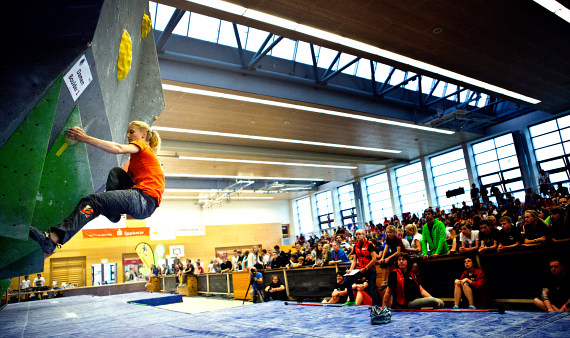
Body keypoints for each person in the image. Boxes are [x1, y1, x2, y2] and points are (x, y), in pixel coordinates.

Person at [29, 121, 164, 255]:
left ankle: (53, 238)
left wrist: (84, 138)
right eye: (128, 132)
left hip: (144, 200)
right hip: (142, 202)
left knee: (93, 202)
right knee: (115, 175)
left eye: (132, 132)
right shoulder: (138, 160)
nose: (128, 135)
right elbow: (121, 182)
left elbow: (118, 149)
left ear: (143, 135)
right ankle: (111, 212)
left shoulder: (143, 146)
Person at [344, 229, 378, 305]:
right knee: (346, 278)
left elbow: (374, 259)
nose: (358, 236)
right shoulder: (355, 246)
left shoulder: (369, 244)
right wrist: (350, 270)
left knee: (372, 290)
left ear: (363, 235)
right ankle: (352, 299)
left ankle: (376, 306)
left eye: (359, 234)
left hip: (370, 270)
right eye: (356, 235)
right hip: (360, 269)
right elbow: (354, 260)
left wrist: (366, 268)